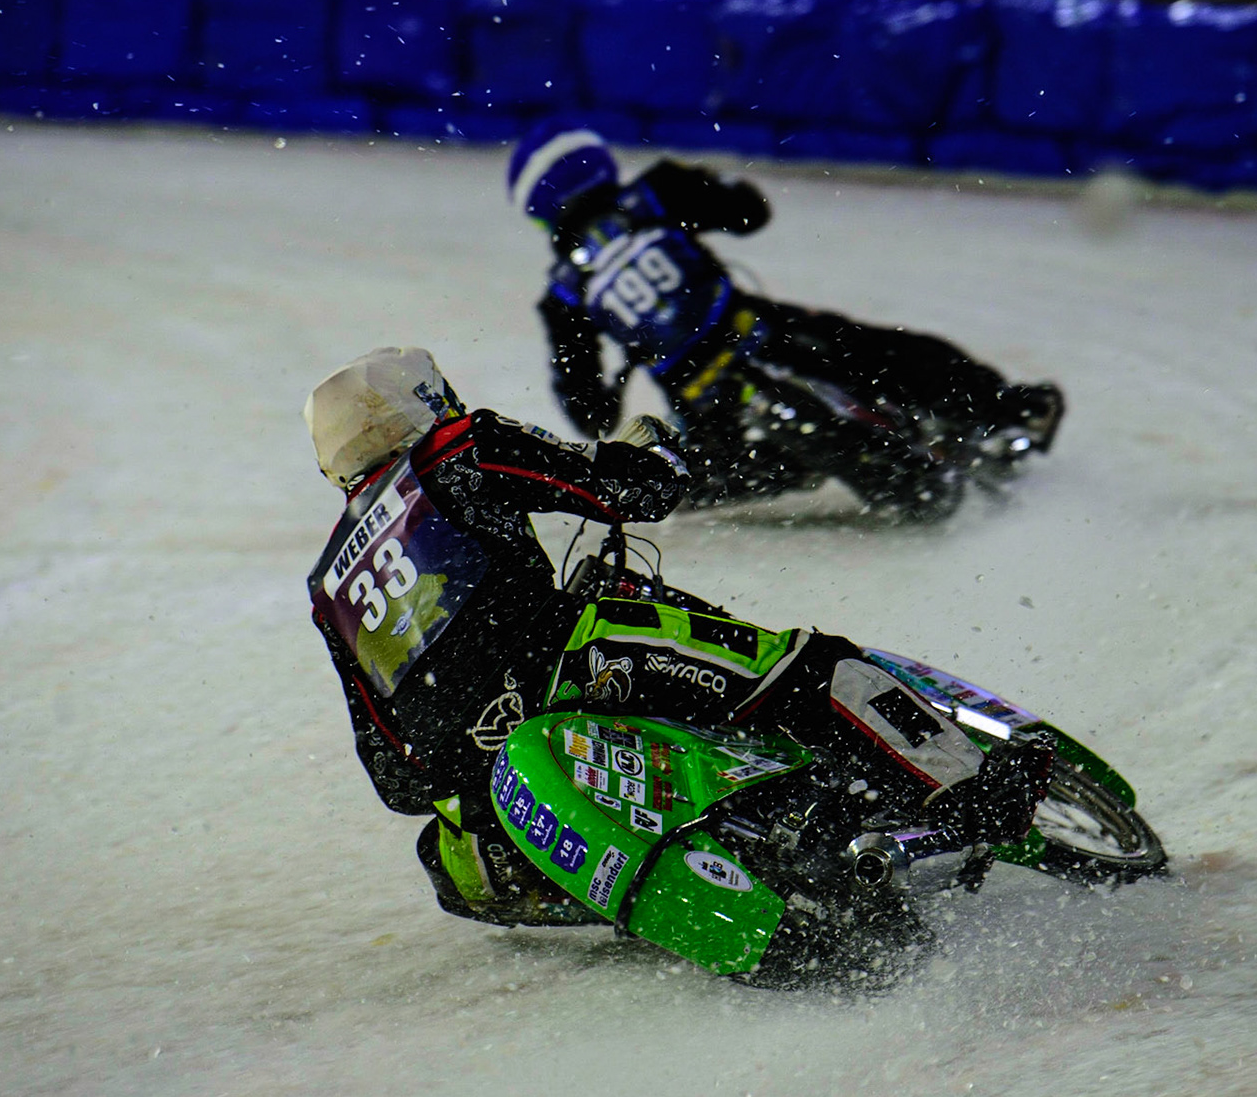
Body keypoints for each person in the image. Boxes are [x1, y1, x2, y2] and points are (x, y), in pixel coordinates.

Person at [305, 346, 1048, 931]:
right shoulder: (455, 449)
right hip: (573, 663)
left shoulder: (329, 586)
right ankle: (977, 791)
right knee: (808, 668)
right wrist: (648, 454)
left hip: (479, 786)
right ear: (420, 407)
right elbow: (629, 491)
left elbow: (395, 779)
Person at [507, 121, 1066, 515]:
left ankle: (815, 458)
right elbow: (750, 213)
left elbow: (591, 418)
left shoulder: (562, 297)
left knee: (685, 487)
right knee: (884, 352)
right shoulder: (654, 192)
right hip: (764, 336)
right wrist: (711, 187)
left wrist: (618, 378)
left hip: (705, 405)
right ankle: (1005, 409)